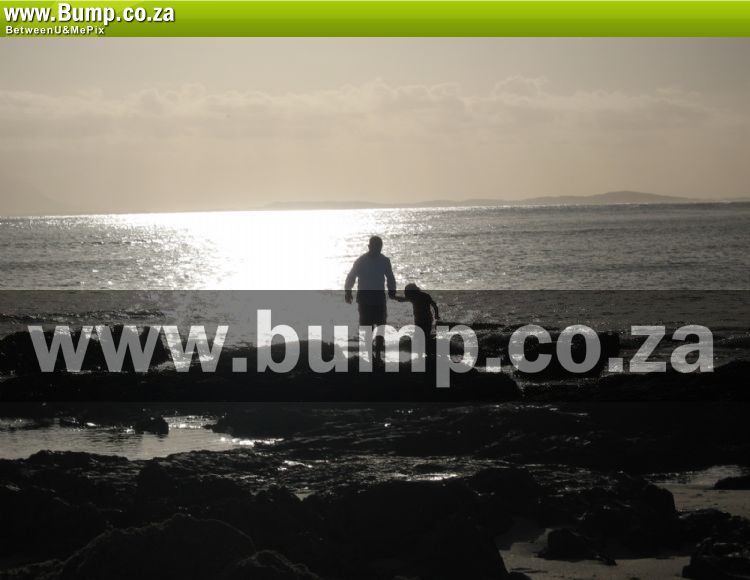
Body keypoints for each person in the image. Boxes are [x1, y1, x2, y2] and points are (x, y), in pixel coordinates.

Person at [345, 236, 396, 360]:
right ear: (369, 247)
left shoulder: (385, 260)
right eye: (375, 247)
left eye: (379, 248)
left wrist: (392, 290)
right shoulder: (361, 261)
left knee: (381, 327)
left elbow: (390, 277)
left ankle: (377, 354)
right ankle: (369, 355)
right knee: (366, 328)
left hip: (379, 298)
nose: (377, 250)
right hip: (365, 299)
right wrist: (348, 291)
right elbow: (351, 276)